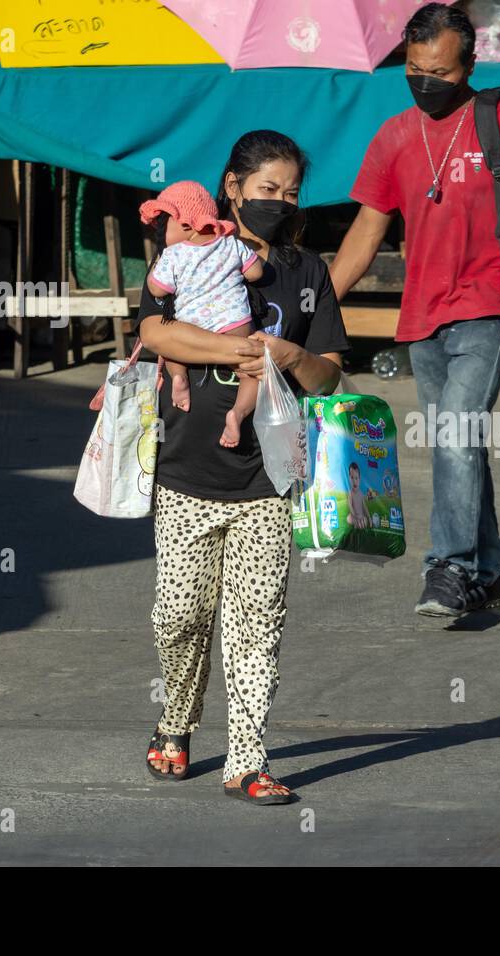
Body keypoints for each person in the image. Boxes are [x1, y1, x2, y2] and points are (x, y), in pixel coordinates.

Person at [330, 2, 500, 619]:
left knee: (452, 431)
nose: (425, 82)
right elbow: (366, 234)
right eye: (415, 69)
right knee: (461, 440)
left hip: (491, 305)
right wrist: (314, 307)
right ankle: (488, 568)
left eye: (440, 72)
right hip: (422, 319)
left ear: (469, 65)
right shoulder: (394, 136)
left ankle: (447, 568)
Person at [135, 130, 349, 804]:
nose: (278, 203)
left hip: (268, 478)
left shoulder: (306, 274)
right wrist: (234, 354)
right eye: (266, 190)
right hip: (185, 469)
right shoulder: (185, 249)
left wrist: (286, 356)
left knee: (257, 621)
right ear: (232, 188)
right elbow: (154, 332)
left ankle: (248, 758)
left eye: (289, 193)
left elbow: (330, 377)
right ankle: (175, 722)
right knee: (178, 616)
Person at [139, 180, 264, 448]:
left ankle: (180, 377)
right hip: (235, 324)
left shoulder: (173, 255)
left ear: (185, 225)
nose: (159, 237)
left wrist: (157, 266)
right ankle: (238, 413)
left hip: (192, 328)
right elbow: (256, 273)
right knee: (250, 375)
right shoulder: (231, 244)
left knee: (170, 349)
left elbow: (158, 290)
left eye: (161, 229)